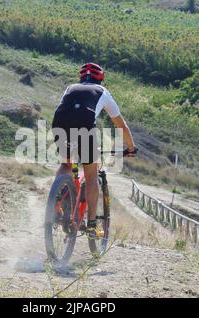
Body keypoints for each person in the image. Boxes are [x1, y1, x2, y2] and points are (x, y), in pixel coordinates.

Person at [51, 62, 137, 238]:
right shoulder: (102, 92)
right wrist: (131, 147)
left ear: (81, 78)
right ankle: (91, 226)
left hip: (60, 124)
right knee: (91, 176)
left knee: (66, 164)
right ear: (101, 79)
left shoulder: (70, 88)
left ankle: (55, 204)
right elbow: (122, 126)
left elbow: (62, 110)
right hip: (85, 128)